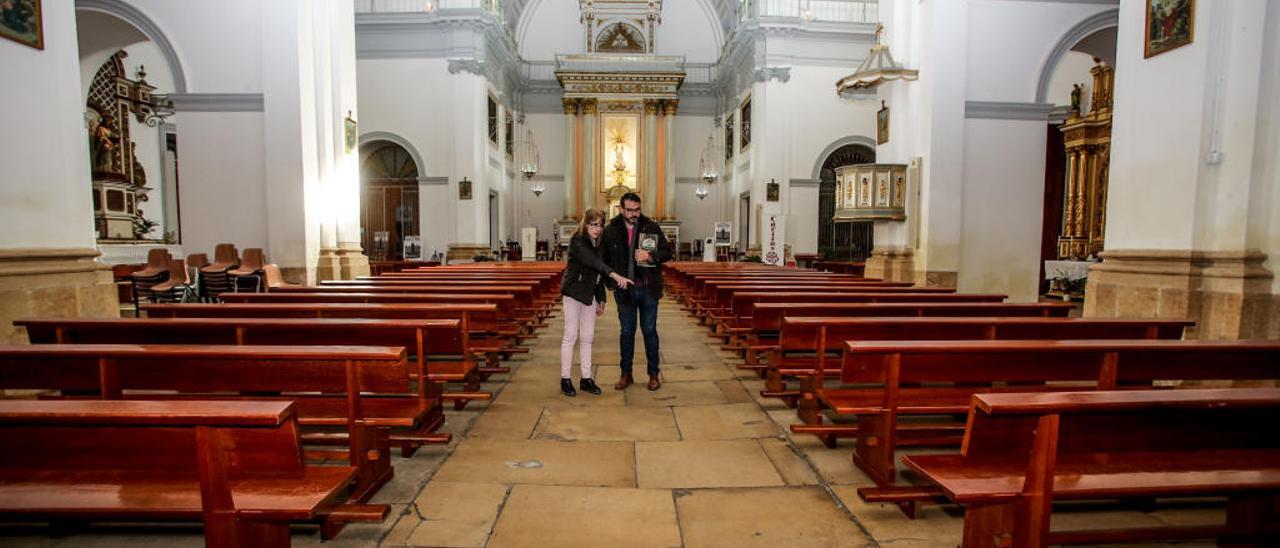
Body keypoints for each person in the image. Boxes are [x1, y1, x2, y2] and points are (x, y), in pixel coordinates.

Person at [601, 192, 672, 391]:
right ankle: (626, 374)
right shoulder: (611, 230)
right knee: (626, 332)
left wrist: (650, 256)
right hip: (625, 292)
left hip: (648, 288)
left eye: (637, 210)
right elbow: (603, 262)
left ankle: (653, 374)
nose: (634, 214)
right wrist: (613, 283)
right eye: (630, 210)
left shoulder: (651, 226)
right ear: (621, 209)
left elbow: (668, 252)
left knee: (649, 331)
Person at [560, 208, 632, 397]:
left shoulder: (599, 243)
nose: (597, 229)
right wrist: (615, 275)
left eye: (600, 225)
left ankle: (586, 378)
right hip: (574, 293)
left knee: (588, 338)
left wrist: (601, 299)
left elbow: (598, 273)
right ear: (586, 223)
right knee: (570, 336)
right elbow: (593, 262)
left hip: (590, 295)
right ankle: (565, 379)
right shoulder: (577, 241)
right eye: (593, 224)